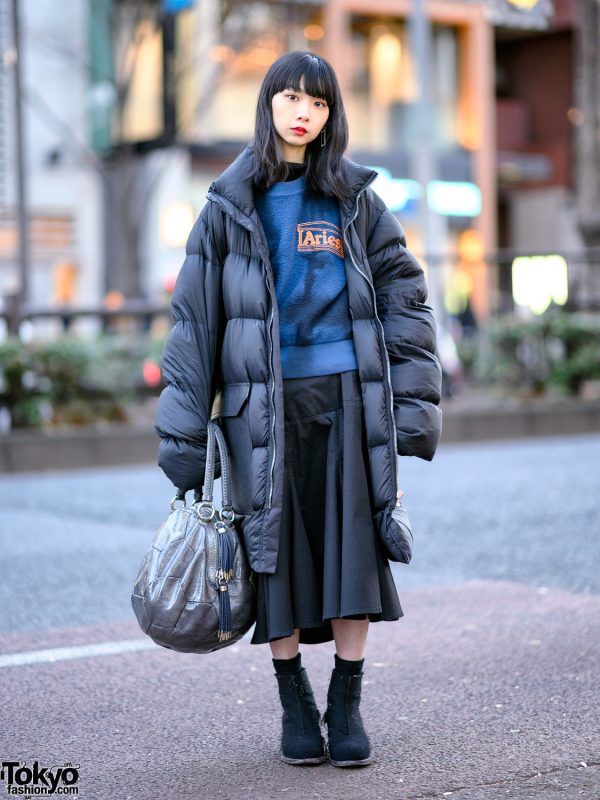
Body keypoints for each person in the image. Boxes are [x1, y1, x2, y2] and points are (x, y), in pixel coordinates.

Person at [155, 51, 442, 768]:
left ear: (330, 112)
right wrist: (183, 438)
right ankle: (294, 700)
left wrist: (413, 410)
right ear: (269, 105)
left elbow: (406, 305)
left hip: (346, 398)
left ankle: (346, 699)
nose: (302, 111)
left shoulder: (357, 200)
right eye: (290, 97)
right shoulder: (229, 205)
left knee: (353, 553)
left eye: (316, 100)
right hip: (262, 410)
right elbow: (193, 326)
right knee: (273, 557)